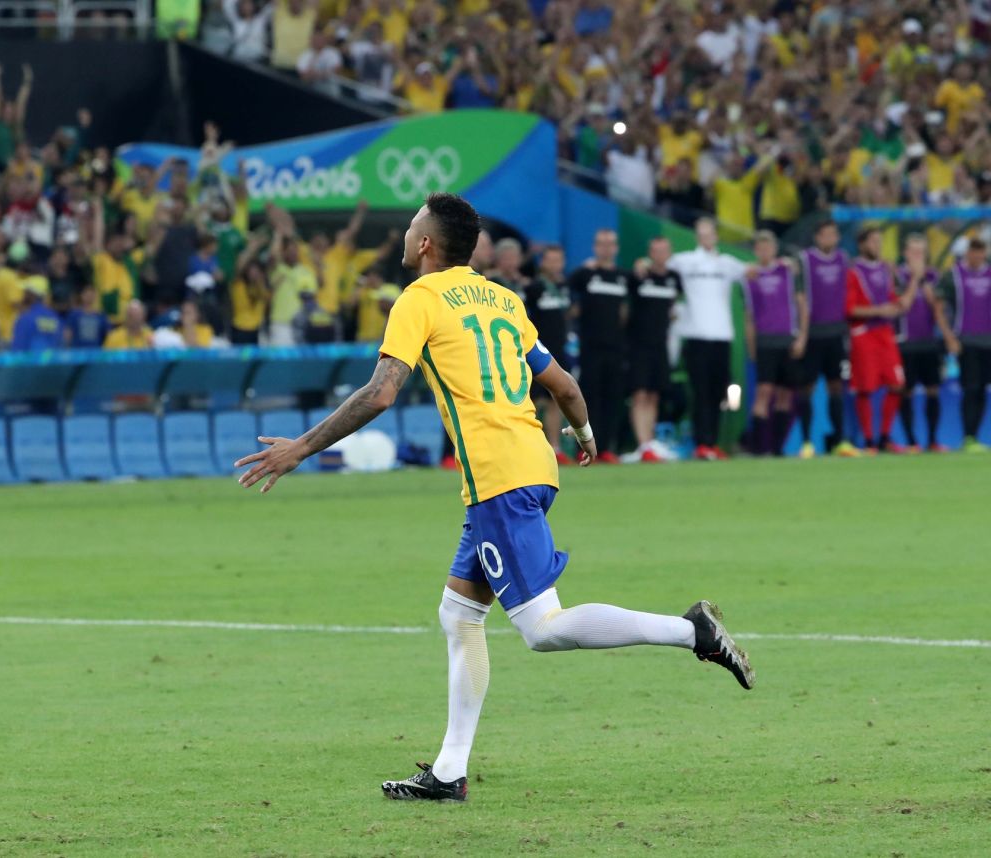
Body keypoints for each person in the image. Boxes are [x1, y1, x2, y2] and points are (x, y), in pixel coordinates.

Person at [233, 192, 754, 802]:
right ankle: (449, 773)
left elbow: (380, 393)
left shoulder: (419, 299)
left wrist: (300, 448)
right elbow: (560, 383)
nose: (406, 234)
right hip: (531, 463)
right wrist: (584, 436)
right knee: (459, 615)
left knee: (543, 629)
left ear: (426, 244)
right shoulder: (502, 299)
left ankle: (691, 631)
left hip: (498, 480)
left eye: (411, 226)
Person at [669, 218, 748, 460]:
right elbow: (657, 265)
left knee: (718, 392)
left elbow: (755, 272)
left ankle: (712, 443)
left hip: (722, 336)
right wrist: (642, 263)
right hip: (696, 337)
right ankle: (701, 443)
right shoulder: (685, 261)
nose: (706, 238)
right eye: (701, 233)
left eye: (710, 233)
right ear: (696, 236)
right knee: (700, 392)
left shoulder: (727, 264)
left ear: (716, 236)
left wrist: (785, 264)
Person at [846, 227, 920, 454]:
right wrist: (880, 310)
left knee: (897, 385)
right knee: (865, 388)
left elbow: (899, 304)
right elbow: (850, 309)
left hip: (885, 335)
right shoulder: (853, 272)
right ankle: (869, 441)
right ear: (862, 244)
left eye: (880, 241)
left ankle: (885, 437)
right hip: (864, 335)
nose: (878, 246)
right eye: (873, 242)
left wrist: (916, 278)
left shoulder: (885, 270)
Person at [568, 229, 630, 463]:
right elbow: (567, 297)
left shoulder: (623, 277)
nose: (606, 248)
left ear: (616, 248)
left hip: (615, 348)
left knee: (613, 398)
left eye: (610, 244)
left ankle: (606, 448)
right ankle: (585, 448)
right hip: (590, 347)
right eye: (602, 244)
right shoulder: (584, 274)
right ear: (595, 247)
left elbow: (625, 311)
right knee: (589, 399)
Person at [743, 232, 808, 456]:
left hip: (787, 339)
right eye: (760, 248)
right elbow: (749, 317)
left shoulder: (787, 271)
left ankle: (778, 447)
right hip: (765, 341)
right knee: (764, 392)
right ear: (755, 251)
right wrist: (752, 346)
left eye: (768, 247)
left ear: (775, 249)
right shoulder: (751, 277)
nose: (764, 252)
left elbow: (801, 305)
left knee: (785, 394)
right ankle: (759, 448)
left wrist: (802, 337)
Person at [797, 220, 851, 457]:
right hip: (813, 333)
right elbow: (798, 296)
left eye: (833, 234)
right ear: (817, 237)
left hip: (836, 333)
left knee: (836, 386)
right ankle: (807, 442)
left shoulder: (844, 259)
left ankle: (839, 441)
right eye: (825, 235)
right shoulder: (804, 260)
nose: (830, 239)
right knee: (807, 387)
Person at [896, 235, 955, 452]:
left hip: (929, 342)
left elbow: (939, 309)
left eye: (921, 252)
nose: (918, 257)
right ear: (905, 253)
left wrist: (927, 287)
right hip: (905, 342)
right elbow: (902, 305)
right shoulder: (898, 276)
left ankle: (932, 440)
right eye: (914, 252)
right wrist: (914, 280)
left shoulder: (934, 277)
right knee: (906, 391)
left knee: (933, 390)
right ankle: (911, 441)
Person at [627, 237, 682, 461]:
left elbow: (673, 307)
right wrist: (639, 266)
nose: (660, 255)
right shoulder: (640, 275)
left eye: (664, 251)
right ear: (650, 252)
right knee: (640, 394)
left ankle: (649, 442)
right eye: (655, 251)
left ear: (669, 253)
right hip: (639, 343)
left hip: (661, 344)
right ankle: (642, 445)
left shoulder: (673, 279)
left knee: (654, 395)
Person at [936, 238, 991, 452]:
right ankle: (969, 437)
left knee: (983, 389)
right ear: (966, 253)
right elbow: (939, 308)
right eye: (973, 252)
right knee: (971, 388)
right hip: (966, 341)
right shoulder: (954, 276)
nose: (977, 256)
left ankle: (975, 437)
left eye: (981, 252)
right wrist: (949, 337)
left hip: (988, 342)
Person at [523, 245, 573, 463]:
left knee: (556, 399)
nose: (555, 265)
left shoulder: (564, 286)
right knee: (533, 401)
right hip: (536, 350)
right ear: (543, 262)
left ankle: (555, 447)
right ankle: (528, 448)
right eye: (550, 260)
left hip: (560, 350)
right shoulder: (533, 288)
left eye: (559, 260)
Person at [10, 276, 63, 352]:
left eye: (26, 292)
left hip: (29, 363)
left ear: (32, 295)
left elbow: (17, 351)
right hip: (53, 363)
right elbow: (60, 345)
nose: (23, 295)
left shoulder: (26, 319)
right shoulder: (56, 318)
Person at [65, 284, 111, 350]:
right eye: (87, 294)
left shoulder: (101, 315)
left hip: (95, 353)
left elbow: (108, 335)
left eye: (91, 295)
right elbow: (68, 334)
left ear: (95, 296)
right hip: (77, 353)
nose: (89, 297)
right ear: (82, 295)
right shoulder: (74, 314)